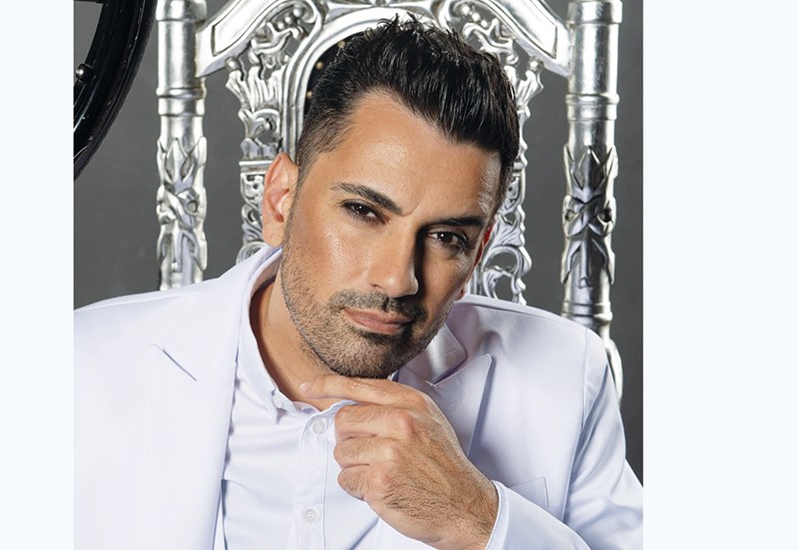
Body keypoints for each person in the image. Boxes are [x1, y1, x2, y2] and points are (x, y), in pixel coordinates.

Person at [75, 16, 642, 550]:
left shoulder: (566, 375)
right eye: (364, 211)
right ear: (280, 200)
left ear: (478, 252)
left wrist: (479, 521)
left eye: (446, 237)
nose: (397, 279)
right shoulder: (82, 367)